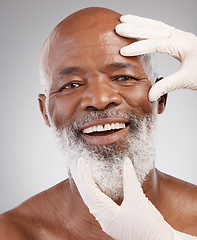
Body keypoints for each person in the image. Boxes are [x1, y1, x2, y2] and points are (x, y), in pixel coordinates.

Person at [0, 7, 196, 239]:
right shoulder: (12, 232)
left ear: (161, 98)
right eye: (71, 85)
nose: (100, 100)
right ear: (45, 113)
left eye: (124, 77)